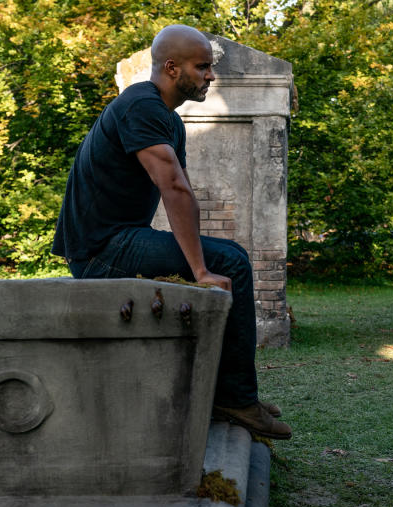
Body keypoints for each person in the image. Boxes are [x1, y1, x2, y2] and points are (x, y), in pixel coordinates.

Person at [51, 24, 292, 440]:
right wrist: (199, 270)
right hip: (99, 250)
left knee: (227, 258)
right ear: (171, 67)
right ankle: (236, 399)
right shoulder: (141, 107)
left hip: (118, 239)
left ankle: (226, 391)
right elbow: (174, 188)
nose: (210, 76)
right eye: (202, 67)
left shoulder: (165, 118)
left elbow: (178, 190)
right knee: (229, 260)